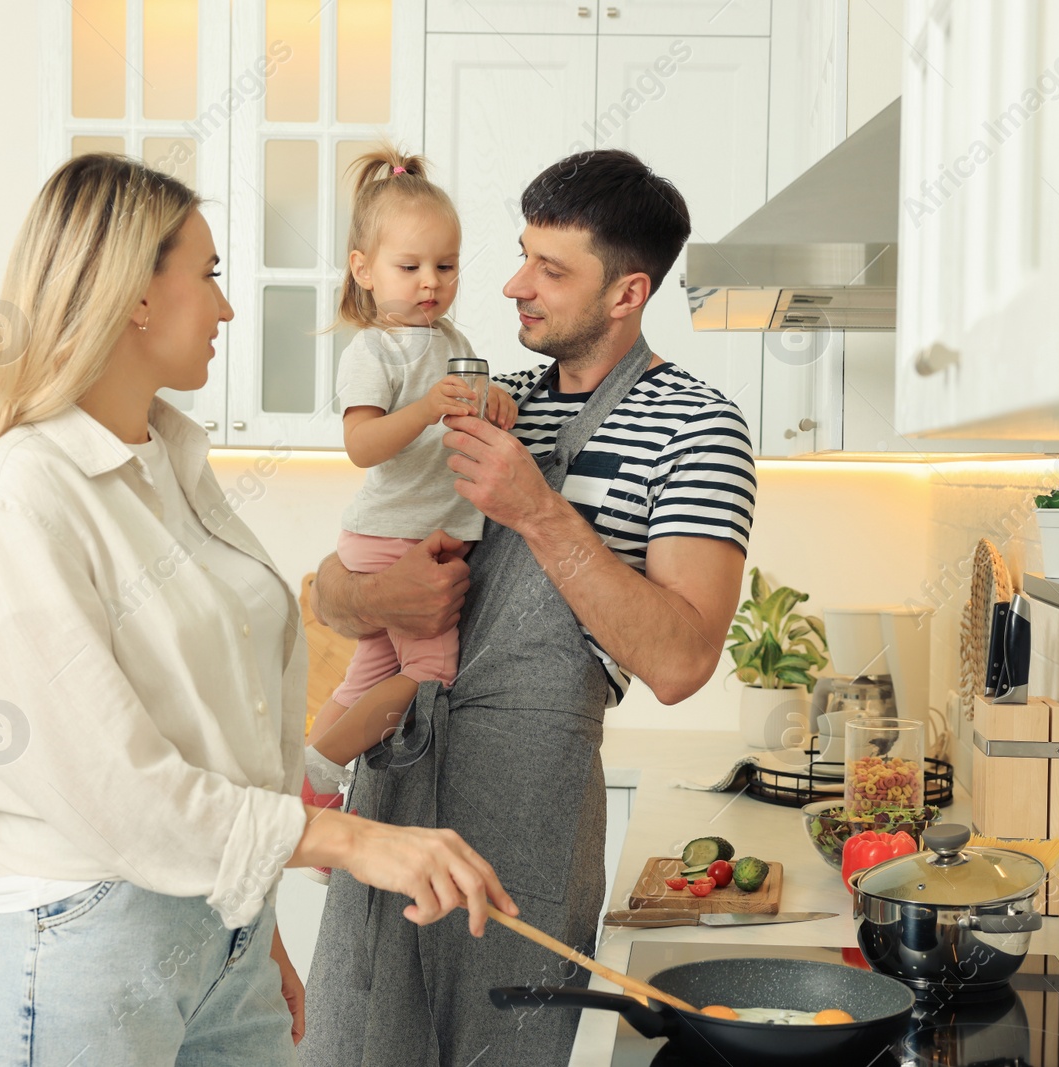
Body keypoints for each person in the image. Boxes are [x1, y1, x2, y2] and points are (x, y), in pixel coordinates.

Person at [0, 153, 516, 1066]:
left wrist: (248, 935)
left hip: (220, 938)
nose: (227, 306)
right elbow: (114, 781)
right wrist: (348, 839)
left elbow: (218, 729)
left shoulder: (169, 466)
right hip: (80, 953)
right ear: (136, 296)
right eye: (211, 274)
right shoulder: (15, 497)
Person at [299, 149, 758, 1067]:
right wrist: (378, 593)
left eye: (551, 269)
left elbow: (680, 662)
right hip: (393, 800)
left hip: (528, 818)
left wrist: (537, 510)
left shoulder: (699, 429)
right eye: (519, 255)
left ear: (628, 292)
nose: (513, 285)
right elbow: (330, 590)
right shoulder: (482, 395)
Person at [299, 146, 517, 867]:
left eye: (445, 267)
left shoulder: (452, 341)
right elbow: (362, 445)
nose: (430, 283)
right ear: (363, 269)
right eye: (410, 266)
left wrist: (493, 403)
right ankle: (325, 770)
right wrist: (426, 406)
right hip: (389, 539)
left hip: (415, 535)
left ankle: (306, 786)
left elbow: (464, 420)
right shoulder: (373, 349)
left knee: (368, 677)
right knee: (429, 676)